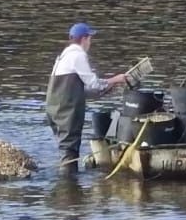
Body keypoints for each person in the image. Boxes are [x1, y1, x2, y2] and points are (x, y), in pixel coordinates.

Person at [44, 22, 127, 168]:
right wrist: (116, 79)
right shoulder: (78, 55)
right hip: (66, 112)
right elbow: (93, 84)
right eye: (90, 39)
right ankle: (68, 185)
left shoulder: (63, 56)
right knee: (70, 152)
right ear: (84, 39)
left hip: (53, 110)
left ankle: (68, 182)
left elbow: (79, 90)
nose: (90, 43)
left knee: (66, 149)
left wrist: (109, 87)